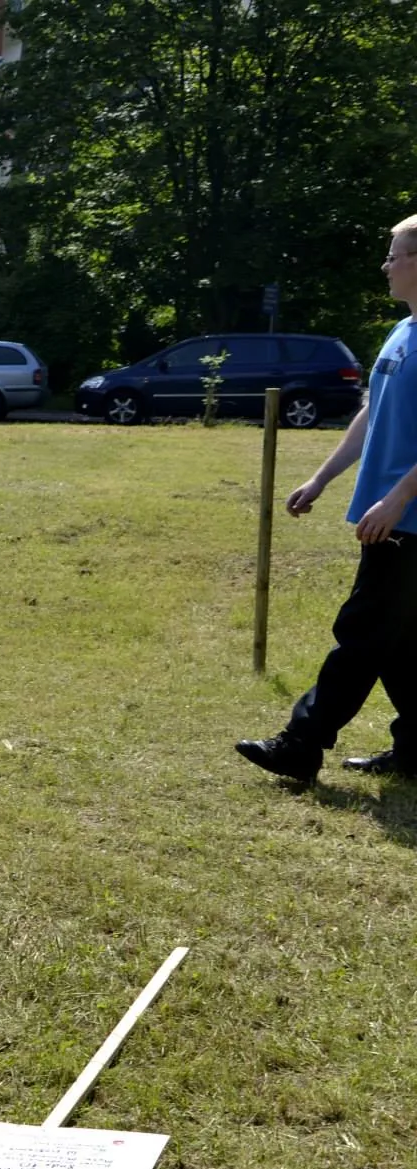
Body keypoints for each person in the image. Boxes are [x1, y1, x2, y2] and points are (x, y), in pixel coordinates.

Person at [236, 215, 417, 784]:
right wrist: (322, 478)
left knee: (363, 631)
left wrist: (396, 502)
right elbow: (372, 413)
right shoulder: (404, 331)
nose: (385, 265)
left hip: (408, 517)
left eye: (395, 255)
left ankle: (301, 743)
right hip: (389, 513)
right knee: (397, 641)